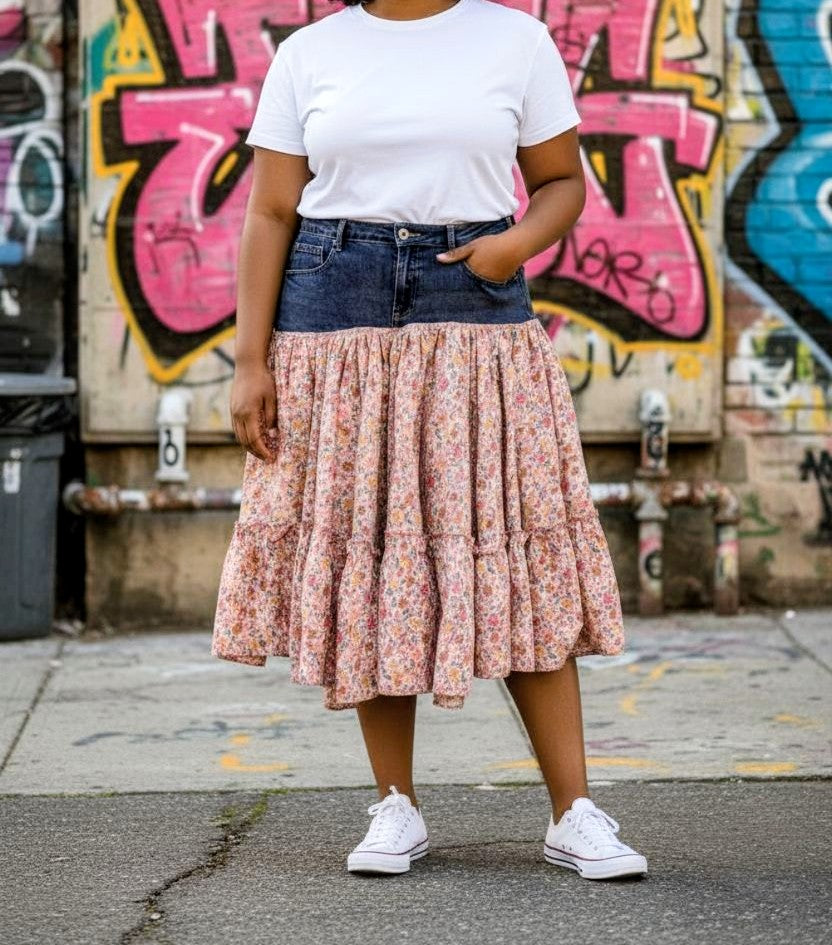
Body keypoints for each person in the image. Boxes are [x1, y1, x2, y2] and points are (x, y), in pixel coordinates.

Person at [211, 0, 648, 881]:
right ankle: (395, 807)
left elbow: (563, 181)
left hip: (476, 308)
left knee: (517, 556)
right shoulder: (311, 51)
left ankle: (574, 813)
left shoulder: (514, 39)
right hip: (334, 314)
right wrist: (248, 362)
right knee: (374, 558)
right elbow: (269, 214)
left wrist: (512, 245)